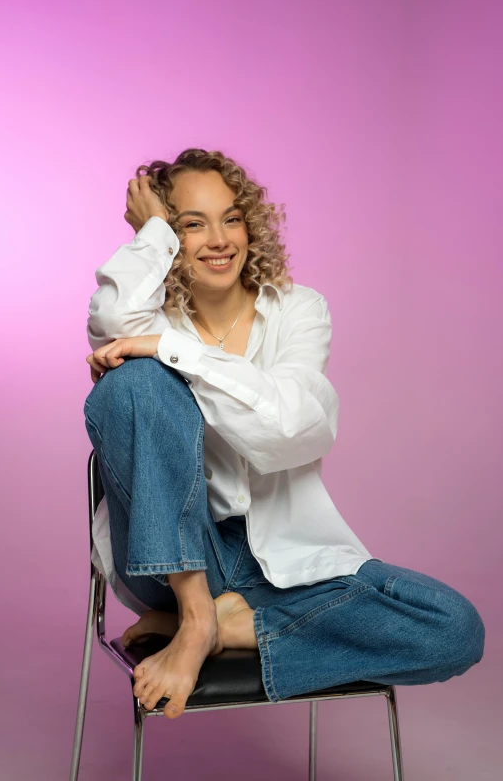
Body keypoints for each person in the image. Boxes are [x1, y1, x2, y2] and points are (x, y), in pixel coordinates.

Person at [84, 148, 485, 721]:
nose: (219, 239)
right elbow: (113, 328)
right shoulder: (154, 318)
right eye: (192, 224)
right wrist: (150, 234)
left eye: (231, 218)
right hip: (175, 556)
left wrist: (178, 353)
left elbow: (293, 428)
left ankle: (231, 626)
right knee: (134, 381)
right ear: (170, 237)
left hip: (284, 560)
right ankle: (196, 615)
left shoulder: (299, 309)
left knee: (454, 629)